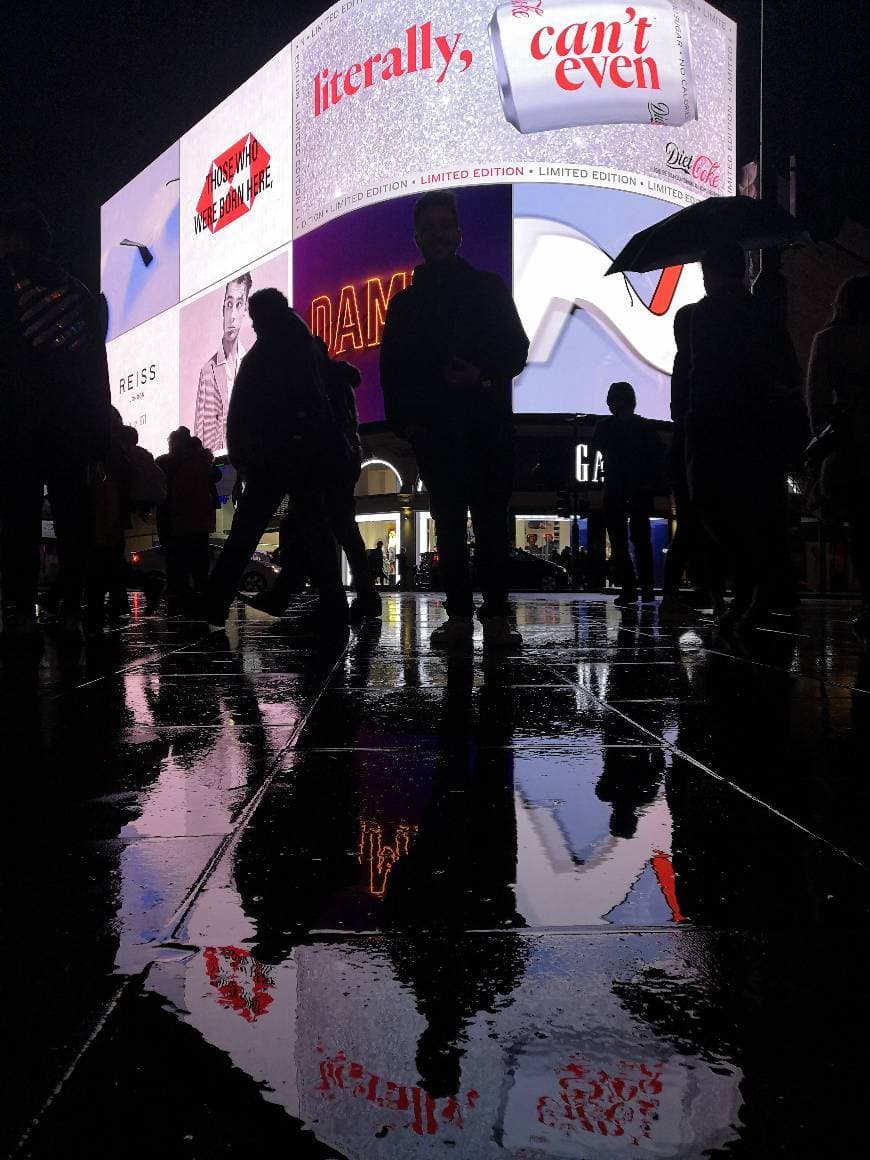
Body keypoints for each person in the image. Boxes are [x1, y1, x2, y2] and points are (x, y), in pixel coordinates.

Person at [380, 190, 529, 648]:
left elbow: (517, 348)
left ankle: (497, 616)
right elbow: (393, 371)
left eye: (445, 226)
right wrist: (409, 426)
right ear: (418, 238)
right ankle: (461, 615)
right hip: (437, 434)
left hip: (485, 427)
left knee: (489, 527)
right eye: (430, 228)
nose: (438, 235)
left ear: (459, 234)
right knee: (448, 524)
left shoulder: (487, 287)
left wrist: (481, 375)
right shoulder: (404, 304)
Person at [0, 204, 112, 642]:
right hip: (71, 425)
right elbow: (94, 371)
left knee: (20, 517)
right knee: (72, 517)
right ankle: (68, 606)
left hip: (20, 423)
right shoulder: (81, 295)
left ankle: (20, 607)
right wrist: (98, 436)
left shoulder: (7, 285)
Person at [204, 289, 347, 630]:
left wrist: (244, 457)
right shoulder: (300, 343)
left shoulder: (268, 351)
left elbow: (247, 411)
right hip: (300, 454)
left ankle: (216, 599)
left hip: (274, 456)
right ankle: (332, 603)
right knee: (314, 529)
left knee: (248, 530)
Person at [684, 243, 800, 633]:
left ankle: (752, 589)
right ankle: (758, 592)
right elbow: (787, 366)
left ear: (709, 274)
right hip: (761, 426)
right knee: (761, 511)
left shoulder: (705, 312)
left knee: (714, 507)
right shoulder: (764, 311)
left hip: (719, 425)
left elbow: (702, 376)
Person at [244, 342, 381, 624]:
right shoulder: (333, 379)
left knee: (312, 530)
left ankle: (293, 596)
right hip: (339, 462)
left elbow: (312, 427)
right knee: (335, 531)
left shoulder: (317, 381)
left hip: (323, 465)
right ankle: (362, 597)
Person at [806, 274, 870, 648]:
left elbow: (815, 401)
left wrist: (822, 444)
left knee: (860, 528)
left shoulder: (828, 340)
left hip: (850, 448)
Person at [660, 302, 725, 619]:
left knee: (691, 526)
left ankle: (688, 596)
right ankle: (704, 596)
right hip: (693, 454)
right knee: (696, 526)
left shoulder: (682, 360)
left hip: (684, 453)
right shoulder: (693, 361)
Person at [591, 382, 662, 606]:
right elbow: (655, 457)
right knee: (640, 540)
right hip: (637, 489)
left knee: (622, 542)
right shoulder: (646, 427)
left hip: (616, 490)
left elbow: (603, 449)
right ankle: (645, 587)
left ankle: (631, 589)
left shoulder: (604, 428)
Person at [156, 427, 217, 614]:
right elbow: (216, 475)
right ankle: (202, 601)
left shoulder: (165, 462)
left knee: (176, 565)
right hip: (198, 521)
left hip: (174, 520)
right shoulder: (201, 463)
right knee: (199, 564)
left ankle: (178, 603)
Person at [193, 272, 251, 454]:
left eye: (239, 304)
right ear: (223, 309)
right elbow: (200, 434)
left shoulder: (251, 364)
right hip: (219, 468)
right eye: (229, 304)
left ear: (245, 309)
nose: (232, 315)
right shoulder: (208, 370)